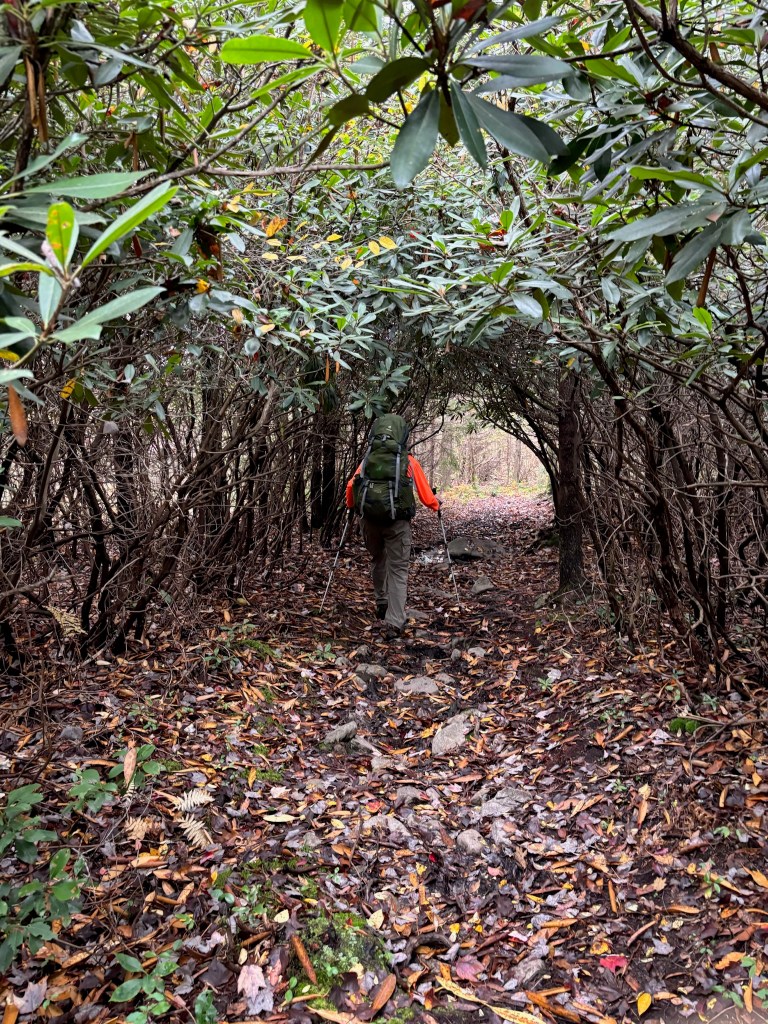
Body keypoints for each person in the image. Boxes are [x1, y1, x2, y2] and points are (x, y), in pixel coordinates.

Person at [345, 414, 440, 639]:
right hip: (397, 522)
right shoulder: (407, 461)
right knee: (398, 569)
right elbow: (425, 495)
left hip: (369, 521)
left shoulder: (368, 460)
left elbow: (351, 486)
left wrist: (352, 506)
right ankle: (395, 621)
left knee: (378, 559)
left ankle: (382, 602)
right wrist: (436, 505)